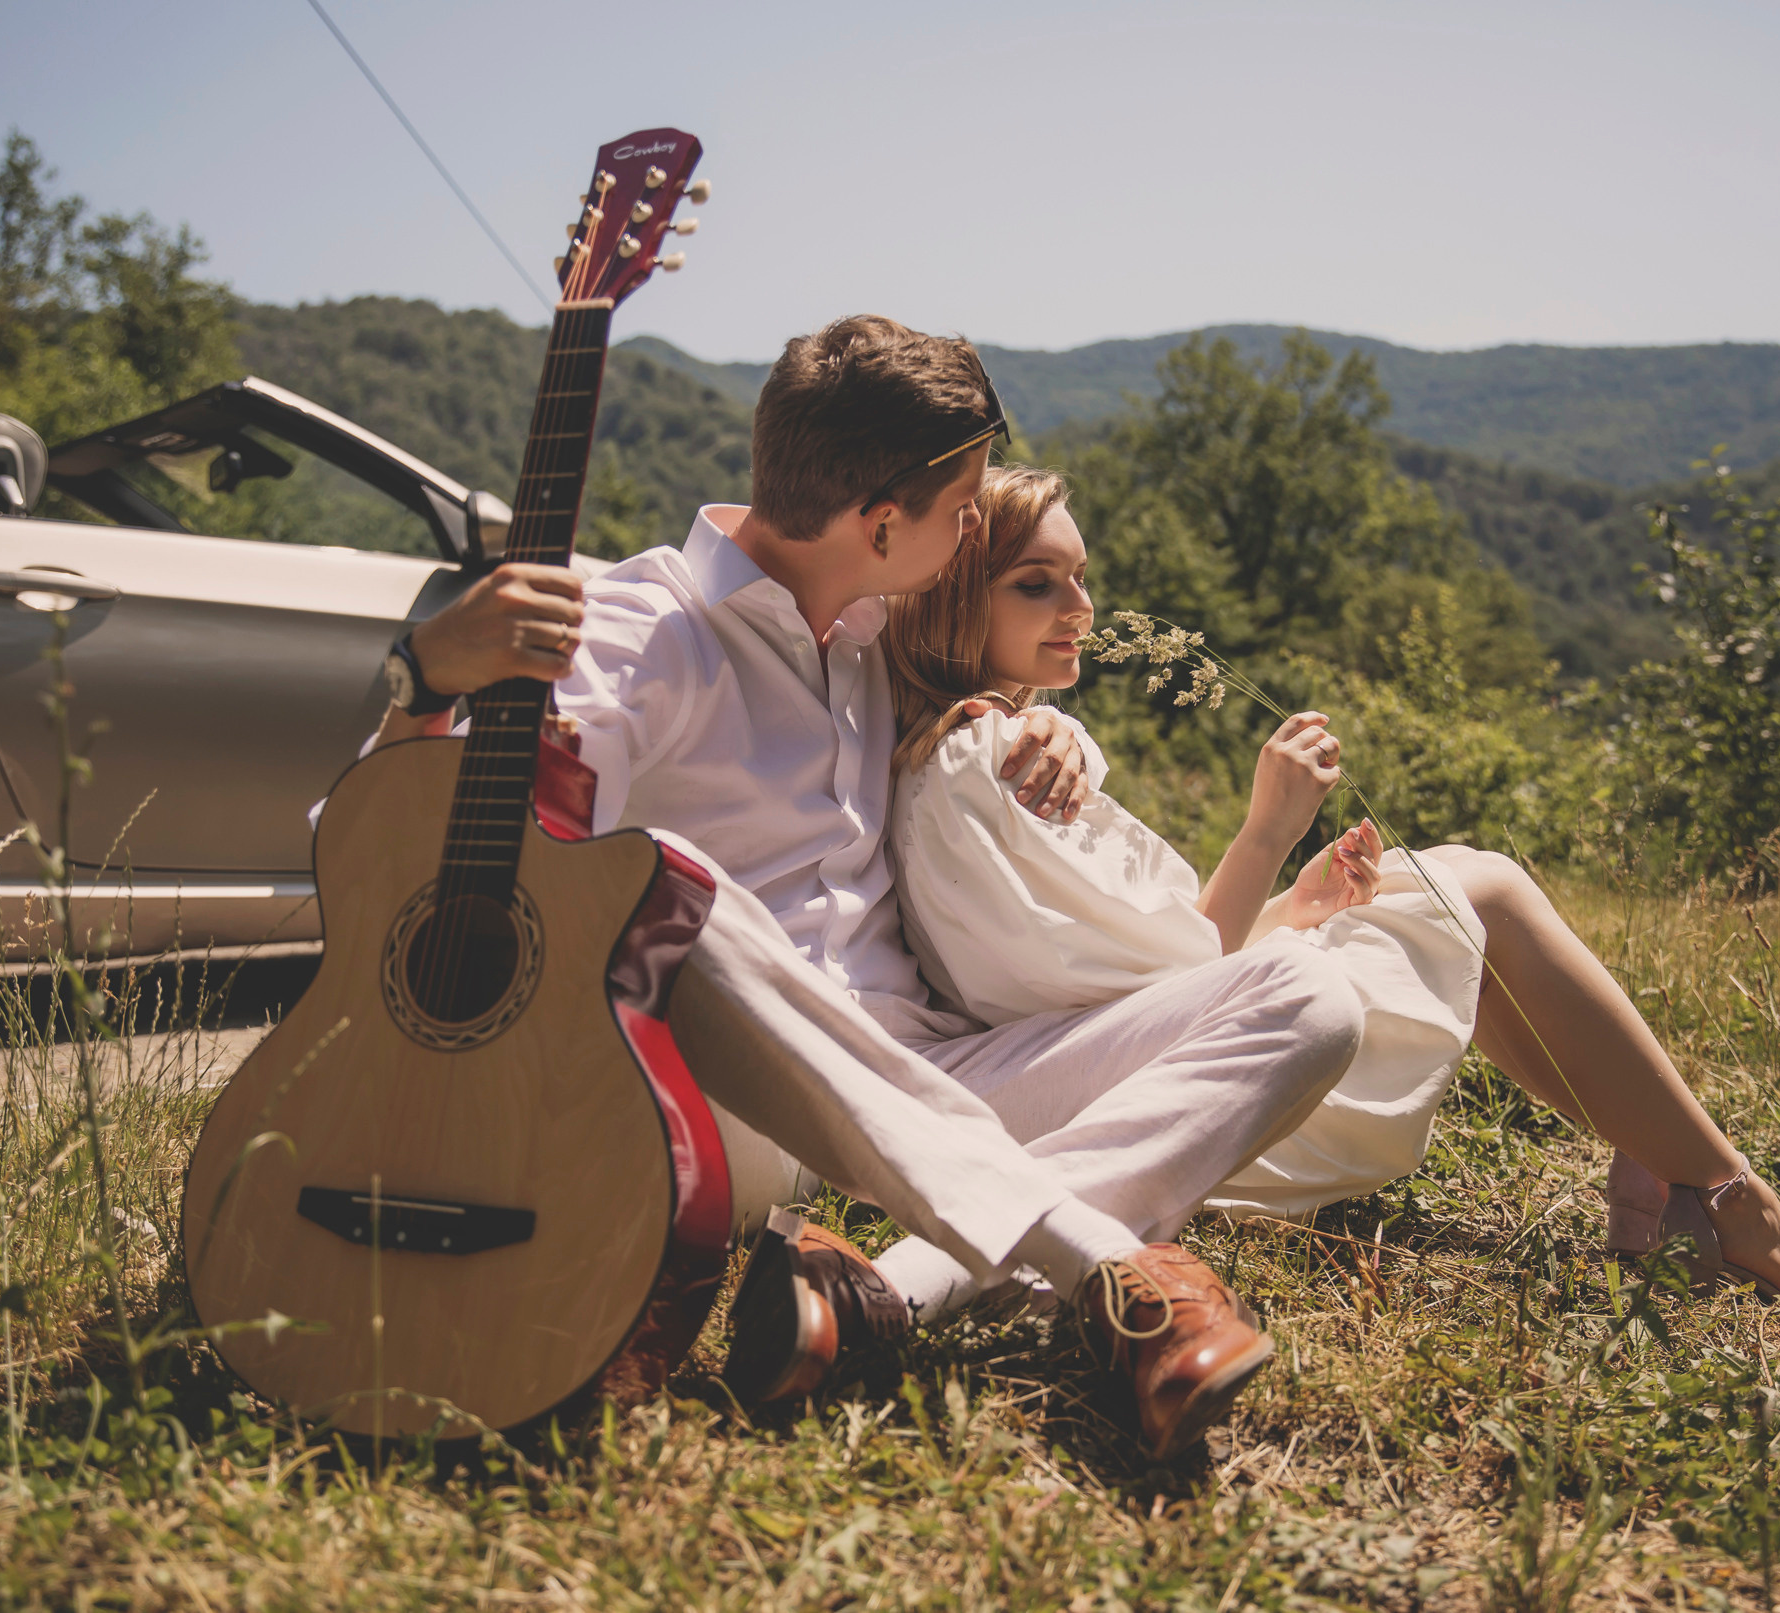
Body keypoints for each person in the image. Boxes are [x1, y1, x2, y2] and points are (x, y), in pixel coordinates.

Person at [378, 316, 1373, 1458]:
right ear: (881, 520)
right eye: (961, 512)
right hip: (733, 1091)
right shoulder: (646, 631)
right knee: (679, 892)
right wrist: (422, 678)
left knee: (1308, 995)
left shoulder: (866, 632)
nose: (969, 534)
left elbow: (1002, 675)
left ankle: (878, 1297)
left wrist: (1051, 729)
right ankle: (1104, 1268)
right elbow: (416, 840)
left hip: (925, 1070)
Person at [876, 464, 1780, 1298]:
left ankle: (1671, 1174)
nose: (1079, 609)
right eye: (1035, 584)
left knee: (1455, 882)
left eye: (1079, 578)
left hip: (1121, 1061)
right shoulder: (990, 759)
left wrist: (1297, 907)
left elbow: (1125, 977)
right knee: (1484, 890)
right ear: (953, 594)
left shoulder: (979, 747)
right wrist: (1266, 827)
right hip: (1153, 1098)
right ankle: (1726, 1192)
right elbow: (1170, 973)